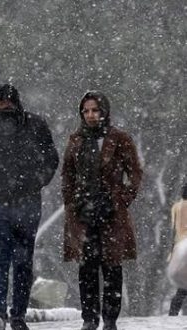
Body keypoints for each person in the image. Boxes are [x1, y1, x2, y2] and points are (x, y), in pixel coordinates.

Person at [0, 84, 59, 330]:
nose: (2, 106)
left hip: (25, 202)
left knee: (22, 262)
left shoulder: (35, 125)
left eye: (5, 101)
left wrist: (33, 181)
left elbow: (50, 159)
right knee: (0, 260)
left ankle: (17, 315)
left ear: (14, 102)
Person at [61, 91, 143, 330]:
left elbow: (135, 172)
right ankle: (89, 318)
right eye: (86, 111)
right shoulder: (76, 139)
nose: (90, 115)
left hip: (111, 214)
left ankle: (110, 319)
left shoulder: (119, 138)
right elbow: (67, 173)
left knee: (111, 267)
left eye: (95, 110)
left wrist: (122, 198)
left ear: (104, 111)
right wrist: (71, 201)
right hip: (82, 213)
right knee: (86, 268)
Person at [168, 183, 187, 316]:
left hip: (180, 247)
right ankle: (173, 312)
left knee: (183, 286)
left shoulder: (177, 207)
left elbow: (174, 230)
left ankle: (173, 313)